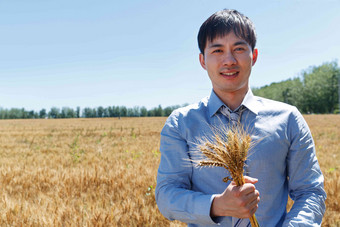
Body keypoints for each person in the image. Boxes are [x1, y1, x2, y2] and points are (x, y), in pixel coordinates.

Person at [155, 9, 326, 227]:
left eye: (238, 48)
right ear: (202, 60)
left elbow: (310, 192)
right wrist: (217, 205)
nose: (229, 60)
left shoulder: (289, 119)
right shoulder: (181, 123)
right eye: (217, 50)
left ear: (253, 56)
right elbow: (167, 195)